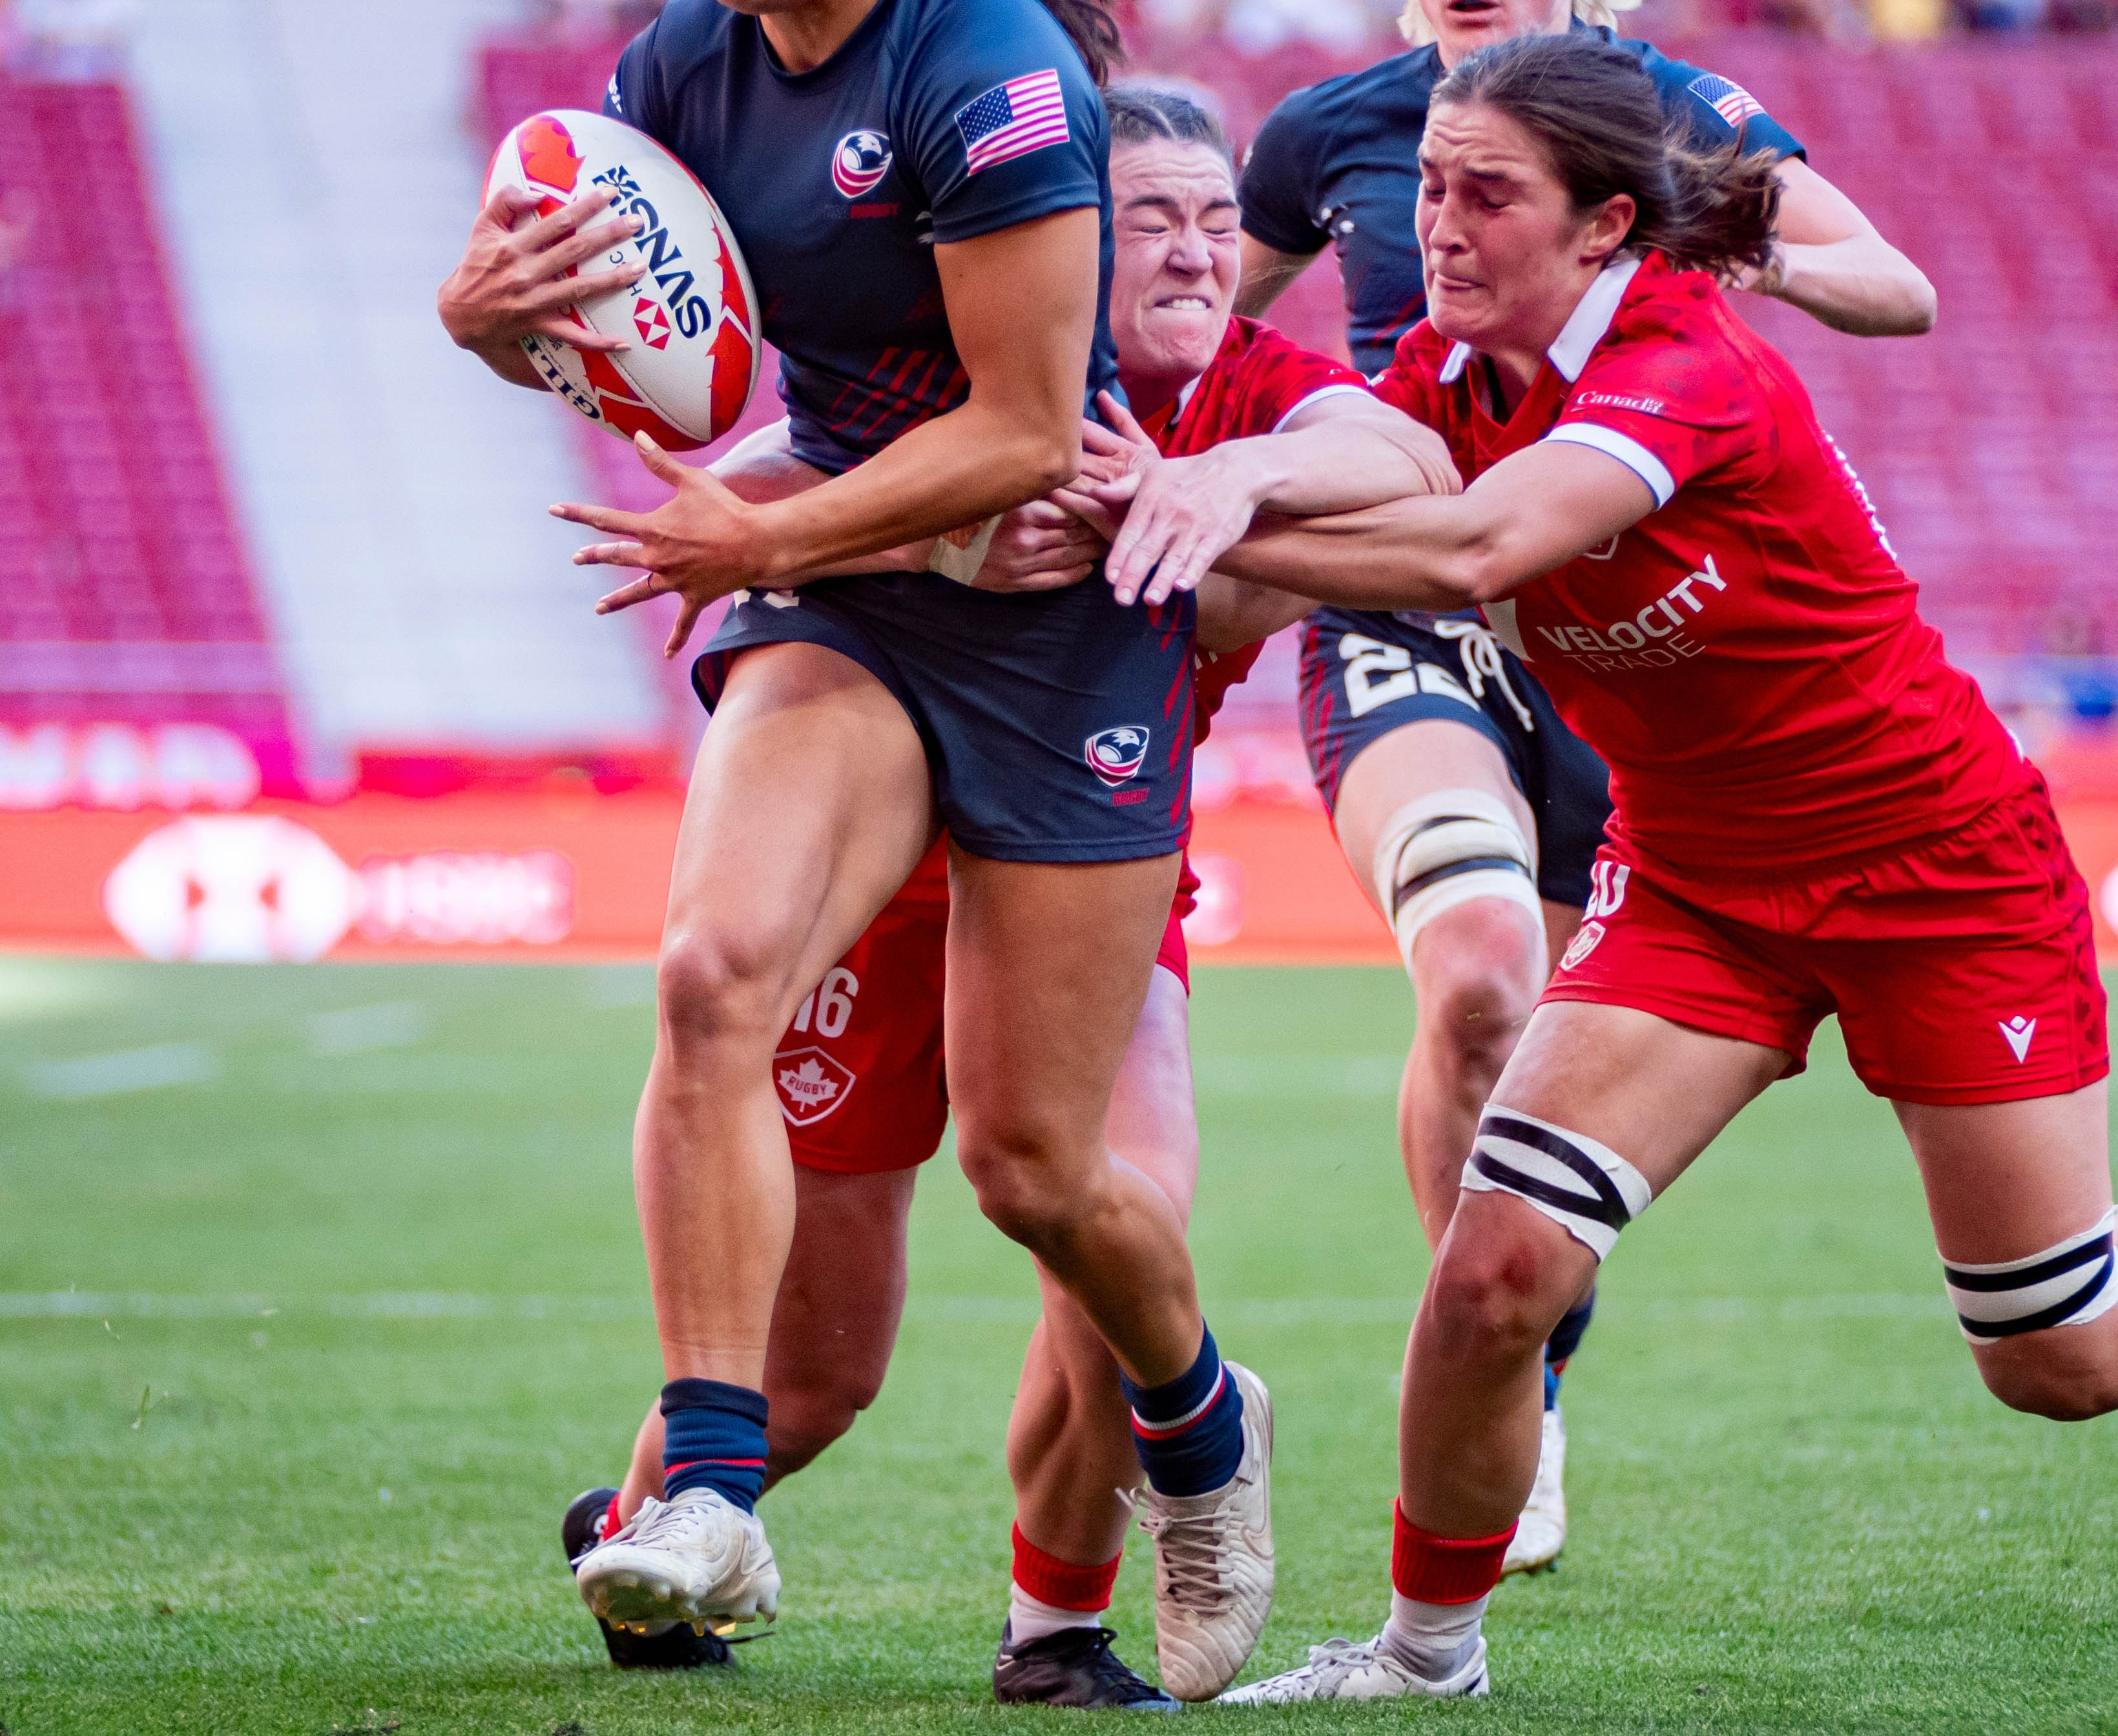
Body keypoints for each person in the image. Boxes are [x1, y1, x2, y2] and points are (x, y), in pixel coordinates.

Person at [1201, 31, 2118, 1702]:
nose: (1435, 228)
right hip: (1696, 883)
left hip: (1935, 873)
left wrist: (1212, 497)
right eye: (1425, 187)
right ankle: (1419, 1656)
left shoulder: (1682, 359)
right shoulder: (1454, 381)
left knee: (2063, 1358)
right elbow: (1331, 504)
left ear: (1604, 224)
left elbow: (1470, 547)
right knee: (1490, 1274)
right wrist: (1157, 514)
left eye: (1485, 194)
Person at [435, 0, 1278, 1699]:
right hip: (846, 595)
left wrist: (756, 527)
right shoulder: (675, 65)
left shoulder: (993, 75)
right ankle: (708, 1496)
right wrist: (485, 324)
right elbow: (636, 348)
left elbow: (1019, 430)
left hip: (1046, 633)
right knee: (711, 973)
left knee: (1035, 1171)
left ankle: (1200, 1426)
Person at [555, 87, 1449, 1704]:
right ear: (1064, 244)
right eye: (1149, 220)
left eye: (1214, 220)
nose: (1194, 252)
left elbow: (1409, 457)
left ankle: (1060, 1626)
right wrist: (913, 534)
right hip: (882, 881)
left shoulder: (1258, 390)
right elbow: (756, 489)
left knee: (1108, 1227)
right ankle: (643, 1541)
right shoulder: (963, 367)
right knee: (817, 1371)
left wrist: (1222, 482)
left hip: (1093, 861)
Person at [1229, 0, 1936, 1578]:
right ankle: (1511, 1403)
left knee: (1535, 1023)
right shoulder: (1327, 134)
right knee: (1474, 978)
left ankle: (1525, 1346)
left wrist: (1736, 237)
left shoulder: (1675, 118)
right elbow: (1195, 328)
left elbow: (1897, 287)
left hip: (1609, 641)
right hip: (1407, 600)